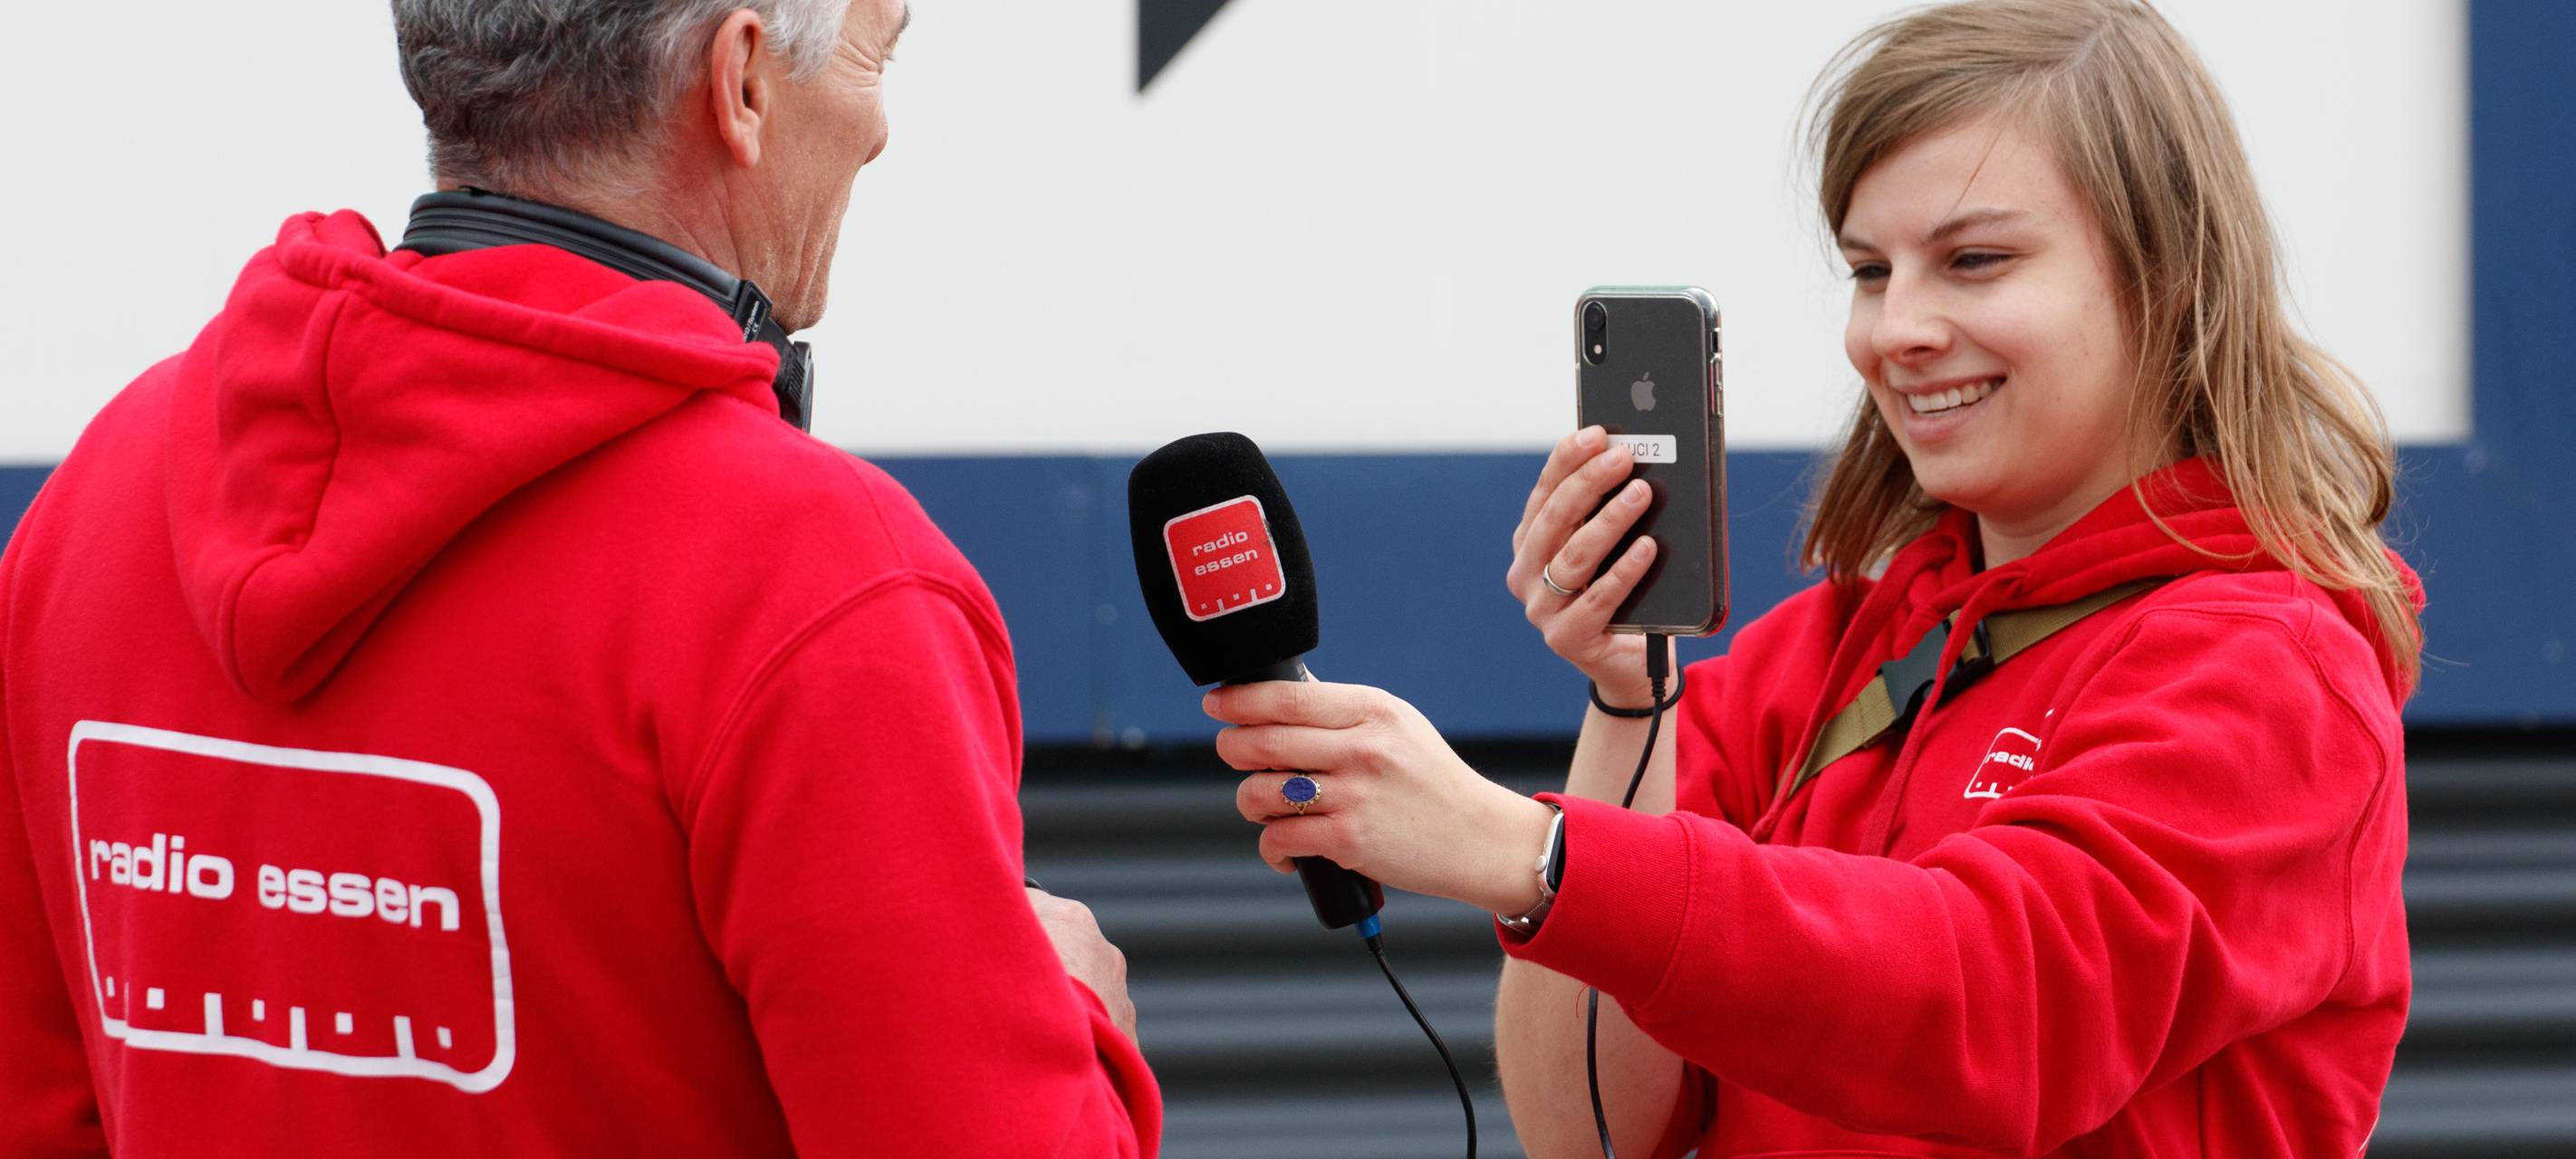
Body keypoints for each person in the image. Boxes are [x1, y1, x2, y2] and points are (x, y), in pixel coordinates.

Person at [1201, 1, 2417, 1154]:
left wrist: (1533, 855)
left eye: (1976, 260)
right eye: (1870, 270)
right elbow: (1595, 1130)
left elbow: (2005, 1012)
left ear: (2172, 277)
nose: (1897, 332)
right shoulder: (1810, 665)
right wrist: (1628, 704)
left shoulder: (2271, 669)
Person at [0, 2, 1158, 1155]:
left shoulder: (106, 496)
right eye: (878, 51)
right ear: (742, 81)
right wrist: (1072, 1016)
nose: (879, 130)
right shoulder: (816, 587)